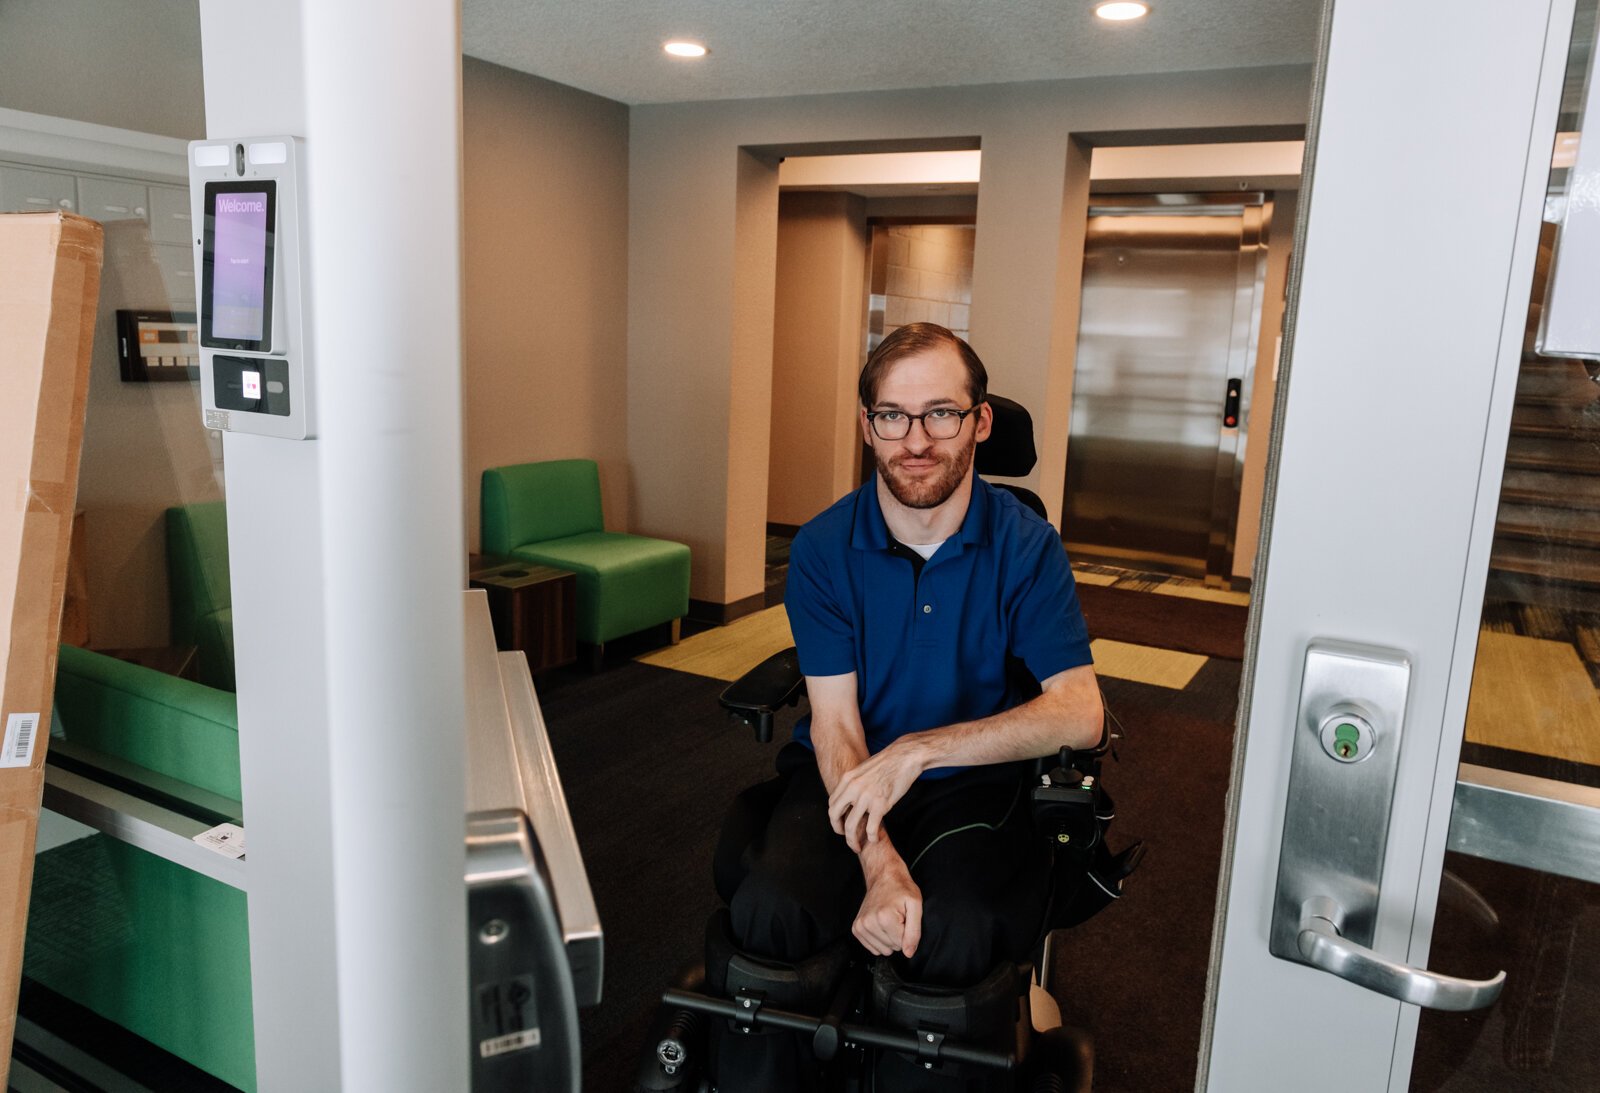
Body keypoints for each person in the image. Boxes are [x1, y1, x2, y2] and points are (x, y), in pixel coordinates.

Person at [711, 322, 1103, 1089]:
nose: (915, 439)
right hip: (847, 771)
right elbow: (835, 724)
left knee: (948, 931)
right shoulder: (824, 548)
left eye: (941, 413)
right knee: (768, 909)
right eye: (892, 414)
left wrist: (919, 750)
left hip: (971, 783)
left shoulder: (1027, 547)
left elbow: (1080, 710)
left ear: (980, 422)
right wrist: (876, 858)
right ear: (867, 425)